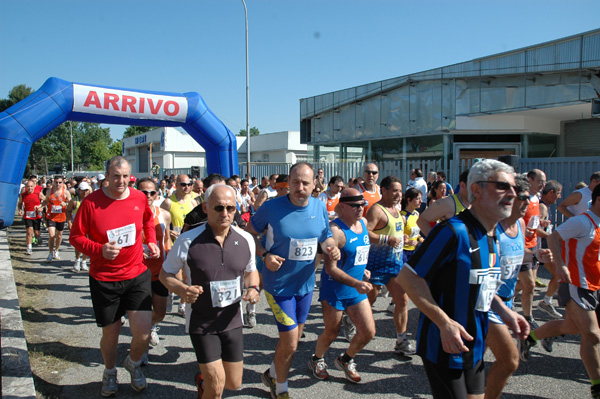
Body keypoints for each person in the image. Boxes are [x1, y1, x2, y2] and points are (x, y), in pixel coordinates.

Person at [397, 159, 529, 399]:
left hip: (475, 344)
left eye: (514, 188)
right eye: (502, 186)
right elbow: (407, 277)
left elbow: (483, 287)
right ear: (476, 190)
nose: (512, 193)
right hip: (444, 345)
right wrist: (444, 323)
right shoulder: (453, 231)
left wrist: (506, 312)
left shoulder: (492, 234)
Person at [245, 162, 340, 399]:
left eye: (305, 183)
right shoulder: (272, 207)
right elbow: (249, 232)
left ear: (314, 184)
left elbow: (325, 237)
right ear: (288, 181)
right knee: (291, 342)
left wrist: (332, 249)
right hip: (278, 285)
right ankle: (281, 388)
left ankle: (272, 373)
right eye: (295, 182)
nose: (300, 187)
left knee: (293, 339)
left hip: (305, 285)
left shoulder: (319, 207)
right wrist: (264, 255)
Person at [69, 156, 159, 397]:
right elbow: (76, 237)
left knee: (143, 333)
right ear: (107, 177)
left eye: (125, 176)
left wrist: (151, 240)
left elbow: (148, 222)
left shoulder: (139, 197)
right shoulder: (91, 203)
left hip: (136, 273)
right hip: (104, 278)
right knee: (111, 334)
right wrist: (100, 250)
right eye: (116, 176)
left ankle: (133, 363)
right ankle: (110, 372)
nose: (121, 181)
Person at [161, 184, 259, 398]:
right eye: (219, 208)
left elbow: (251, 272)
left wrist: (253, 288)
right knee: (216, 386)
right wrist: (182, 289)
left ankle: (203, 382)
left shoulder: (246, 240)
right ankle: (209, 385)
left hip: (232, 321)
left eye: (231, 208)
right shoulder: (188, 240)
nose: (225, 214)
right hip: (202, 322)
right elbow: (165, 274)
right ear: (205, 208)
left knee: (233, 383)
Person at [519, 184, 600, 399]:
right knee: (591, 334)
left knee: (570, 326)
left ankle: (530, 338)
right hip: (576, 283)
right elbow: (554, 237)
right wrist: (561, 264)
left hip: (596, 285)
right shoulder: (582, 221)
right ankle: (597, 386)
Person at [485, 174, 552, 399]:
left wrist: (536, 254)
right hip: (486, 303)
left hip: (507, 301)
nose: (527, 204)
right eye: (523, 198)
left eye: (529, 198)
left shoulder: (521, 224)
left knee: (474, 361)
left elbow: (518, 254)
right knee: (510, 360)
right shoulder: (492, 227)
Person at [309, 189, 375, 383]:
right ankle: (317, 359)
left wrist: (362, 270)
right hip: (335, 289)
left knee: (368, 331)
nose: (360, 209)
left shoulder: (362, 224)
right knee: (332, 332)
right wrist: (357, 282)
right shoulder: (335, 231)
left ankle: (346, 360)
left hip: (356, 288)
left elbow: (360, 252)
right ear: (343, 207)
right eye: (355, 206)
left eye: (362, 205)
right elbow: (330, 270)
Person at [363, 176, 415, 356]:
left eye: (400, 191)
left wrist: (403, 239)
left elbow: (396, 232)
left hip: (395, 264)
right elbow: (365, 233)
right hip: (376, 264)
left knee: (402, 300)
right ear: (383, 191)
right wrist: (387, 239)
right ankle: (351, 320)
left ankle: (401, 339)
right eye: (394, 191)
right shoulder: (376, 210)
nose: (398, 194)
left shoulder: (397, 209)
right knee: (368, 301)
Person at [137, 177, 172, 349]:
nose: (148, 195)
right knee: (141, 312)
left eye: (152, 192)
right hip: (137, 271)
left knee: (160, 312)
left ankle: (150, 325)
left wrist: (173, 266)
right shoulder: (131, 213)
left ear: (157, 194)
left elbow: (167, 241)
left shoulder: (164, 214)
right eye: (144, 192)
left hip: (160, 270)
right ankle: (140, 350)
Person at [516, 168, 547, 329]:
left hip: (533, 245)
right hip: (521, 247)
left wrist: (542, 227)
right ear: (530, 180)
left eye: (544, 182)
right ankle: (527, 317)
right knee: (529, 284)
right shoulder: (521, 197)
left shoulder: (536, 198)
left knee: (529, 285)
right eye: (540, 181)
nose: (543, 185)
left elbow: (533, 223)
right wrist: (522, 231)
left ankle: (507, 299)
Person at [536, 180, 564, 320]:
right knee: (559, 274)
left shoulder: (545, 206)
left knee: (526, 283)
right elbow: (536, 230)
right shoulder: (542, 207)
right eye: (558, 193)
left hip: (543, 248)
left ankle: (546, 302)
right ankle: (546, 302)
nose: (559, 197)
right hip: (541, 248)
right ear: (551, 193)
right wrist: (554, 237)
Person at [42, 176, 72, 262]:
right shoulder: (49, 191)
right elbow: (46, 201)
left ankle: (57, 250)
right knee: (52, 235)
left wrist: (65, 204)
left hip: (61, 217)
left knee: (59, 236)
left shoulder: (66, 192)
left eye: (60, 182)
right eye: (56, 182)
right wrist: (40, 206)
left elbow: (70, 203)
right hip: (51, 216)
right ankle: (50, 253)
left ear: (63, 183)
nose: (58, 184)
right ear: (53, 183)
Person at [66, 181, 92, 271]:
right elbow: (68, 211)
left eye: (86, 190)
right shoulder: (74, 201)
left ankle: (84, 262)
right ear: (79, 190)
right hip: (77, 225)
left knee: (87, 243)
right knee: (78, 244)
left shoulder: (91, 200)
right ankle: (77, 261)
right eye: (82, 190)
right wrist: (69, 222)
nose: (84, 192)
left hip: (88, 225)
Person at [17, 179, 45, 255]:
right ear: (25, 187)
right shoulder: (23, 195)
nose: (29, 188)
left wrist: (40, 206)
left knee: (37, 232)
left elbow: (46, 201)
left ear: (34, 186)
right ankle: (29, 247)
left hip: (37, 216)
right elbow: (20, 203)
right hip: (27, 216)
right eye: (28, 186)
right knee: (29, 231)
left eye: (31, 186)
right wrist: (20, 209)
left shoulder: (38, 193)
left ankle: (38, 237)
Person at [400, 188, 424, 263]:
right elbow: (396, 235)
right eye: (417, 199)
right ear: (409, 200)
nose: (421, 201)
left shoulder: (417, 214)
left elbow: (416, 233)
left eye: (421, 199)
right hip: (403, 252)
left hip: (414, 251)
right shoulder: (402, 216)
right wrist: (407, 242)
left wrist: (421, 239)